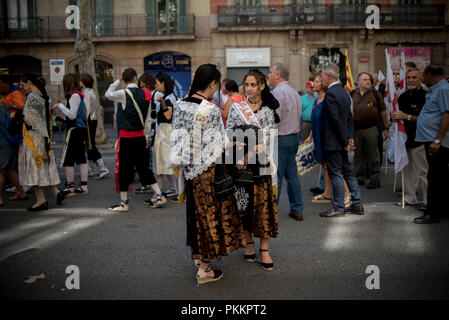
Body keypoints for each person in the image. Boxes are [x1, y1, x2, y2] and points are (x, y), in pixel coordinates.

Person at [169, 64, 245, 284]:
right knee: (209, 218)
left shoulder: (181, 105)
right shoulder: (209, 109)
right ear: (212, 84)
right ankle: (204, 268)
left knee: (194, 215)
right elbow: (219, 143)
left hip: (189, 171)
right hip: (208, 172)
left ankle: (198, 256)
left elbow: (177, 138)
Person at [226, 69, 279, 271]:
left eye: (253, 85)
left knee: (263, 206)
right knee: (243, 204)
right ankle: (248, 243)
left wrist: (251, 153)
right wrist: (240, 155)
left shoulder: (268, 110)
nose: (249, 89)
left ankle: (264, 249)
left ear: (262, 86)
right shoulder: (236, 108)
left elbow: (268, 139)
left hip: (261, 163)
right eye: (246, 85)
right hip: (239, 163)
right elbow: (230, 134)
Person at [105, 68, 165, 211]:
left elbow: (107, 94)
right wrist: (146, 136)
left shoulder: (123, 93)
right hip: (140, 137)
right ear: (136, 78)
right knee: (144, 168)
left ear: (125, 80)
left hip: (126, 138)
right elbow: (148, 120)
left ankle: (124, 203)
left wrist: (117, 80)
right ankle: (160, 194)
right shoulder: (146, 94)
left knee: (124, 170)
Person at [319, 64, 363, 217]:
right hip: (341, 140)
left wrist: (345, 140)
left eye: (322, 75)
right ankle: (357, 204)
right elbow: (349, 117)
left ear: (329, 76)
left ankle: (338, 208)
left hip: (334, 141)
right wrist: (349, 137)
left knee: (336, 173)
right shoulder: (344, 92)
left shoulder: (331, 93)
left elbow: (335, 120)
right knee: (348, 173)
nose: (320, 78)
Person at [305, 73, 352, 207]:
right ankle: (327, 192)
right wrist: (310, 136)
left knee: (333, 167)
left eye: (316, 81)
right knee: (324, 166)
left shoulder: (327, 99)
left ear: (323, 84)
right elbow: (315, 120)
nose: (314, 84)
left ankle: (347, 193)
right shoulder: (316, 100)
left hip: (328, 138)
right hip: (318, 138)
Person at [18, 74, 64, 211]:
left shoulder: (32, 97)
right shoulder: (46, 98)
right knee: (43, 166)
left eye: (22, 85)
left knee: (33, 169)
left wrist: (18, 116)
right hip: (44, 138)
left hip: (32, 138)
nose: (22, 88)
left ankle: (41, 200)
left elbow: (31, 120)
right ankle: (56, 192)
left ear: (29, 83)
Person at [268, 63, 304, 221]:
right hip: (293, 137)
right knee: (292, 175)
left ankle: (271, 212)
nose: (268, 75)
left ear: (277, 75)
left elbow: (274, 119)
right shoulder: (294, 93)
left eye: (270, 73)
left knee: (276, 176)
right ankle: (297, 209)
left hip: (281, 138)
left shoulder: (276, 93)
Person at [414, 64, 449, 224]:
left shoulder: (443, 89)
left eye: (423, 76)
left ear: (430, 75)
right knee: (439, 176)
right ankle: (440, 209)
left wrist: (437, 140)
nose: (422, 80)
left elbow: (447, 115)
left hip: (438, 143)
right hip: (432, 140)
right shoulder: (436, 89)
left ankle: (433, 213)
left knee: (435, 176)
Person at [391, 68, 428, 209]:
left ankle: (427, 201)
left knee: (424, 172)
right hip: (405, 140)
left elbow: (426, 120)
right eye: (408, 78)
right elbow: (395, 114)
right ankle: (410, 198)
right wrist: (394, 116)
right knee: (406, 171)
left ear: (421, 80)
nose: (411, 80)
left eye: (414, 77)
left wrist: (406, 116)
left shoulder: (426, 96)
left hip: (421, 140)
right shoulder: (403, 96)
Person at [53, 73, 89, 197]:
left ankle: (70, 187)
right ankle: (83, 186)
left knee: (69, 159)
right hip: (79, 129)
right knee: (80, 158)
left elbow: (72, 115)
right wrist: (63, 121)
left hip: (75, 130)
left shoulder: (74, 96)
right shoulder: (77, 95)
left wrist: (60, 106)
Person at [351, 72, 390, 189]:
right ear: (358, 83)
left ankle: (375, 178)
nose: (368, 81)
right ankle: (359, 177)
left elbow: (383, 111)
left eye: (369, 80)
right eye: (365, 80)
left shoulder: (375, 94)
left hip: (371, 129)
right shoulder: (352, 94)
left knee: (373, 154)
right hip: (356, 129)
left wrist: (386, 127)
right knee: (358, 155)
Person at [152, 72, 178, 200]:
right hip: (165, 131)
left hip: (166, 132)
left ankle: (158, 194)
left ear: (163, 83)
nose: (156, 86)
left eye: (157, 84)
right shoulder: (169, 96)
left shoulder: (168, 98)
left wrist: (161, 101)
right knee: (165, 163)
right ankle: (173, 189)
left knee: (161, 164)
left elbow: (168, 115)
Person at [80, 74, 109, 179]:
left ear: (84, 82)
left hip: (88, 121)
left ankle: (103, 167)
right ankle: (90, 169)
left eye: (80, 80)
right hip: (92, 120)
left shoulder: (86, 94)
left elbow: (86, 110)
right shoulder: (90, 92)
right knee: (89, 145)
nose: (79, 82)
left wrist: (82, 122)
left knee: (90, 145)